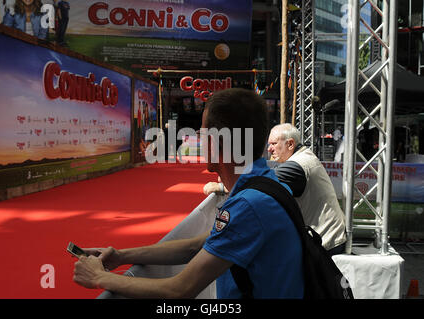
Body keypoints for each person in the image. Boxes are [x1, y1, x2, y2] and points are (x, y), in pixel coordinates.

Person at [73, 88, 304, 298]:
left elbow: (179, 289)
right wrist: (121, 256)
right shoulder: (262, 182)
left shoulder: (249, 205)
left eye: (202, 134)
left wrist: (98, 278)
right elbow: (196, 247)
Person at [204, 123, 347, 256]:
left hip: (325, 244)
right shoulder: (303, 157)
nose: (269, 149)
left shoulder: (296, 167)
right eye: (268, 144)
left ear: (290, 144)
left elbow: (260, 185)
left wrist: (222, 186)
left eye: (273, 144)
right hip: (326, 237)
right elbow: (269, 170)